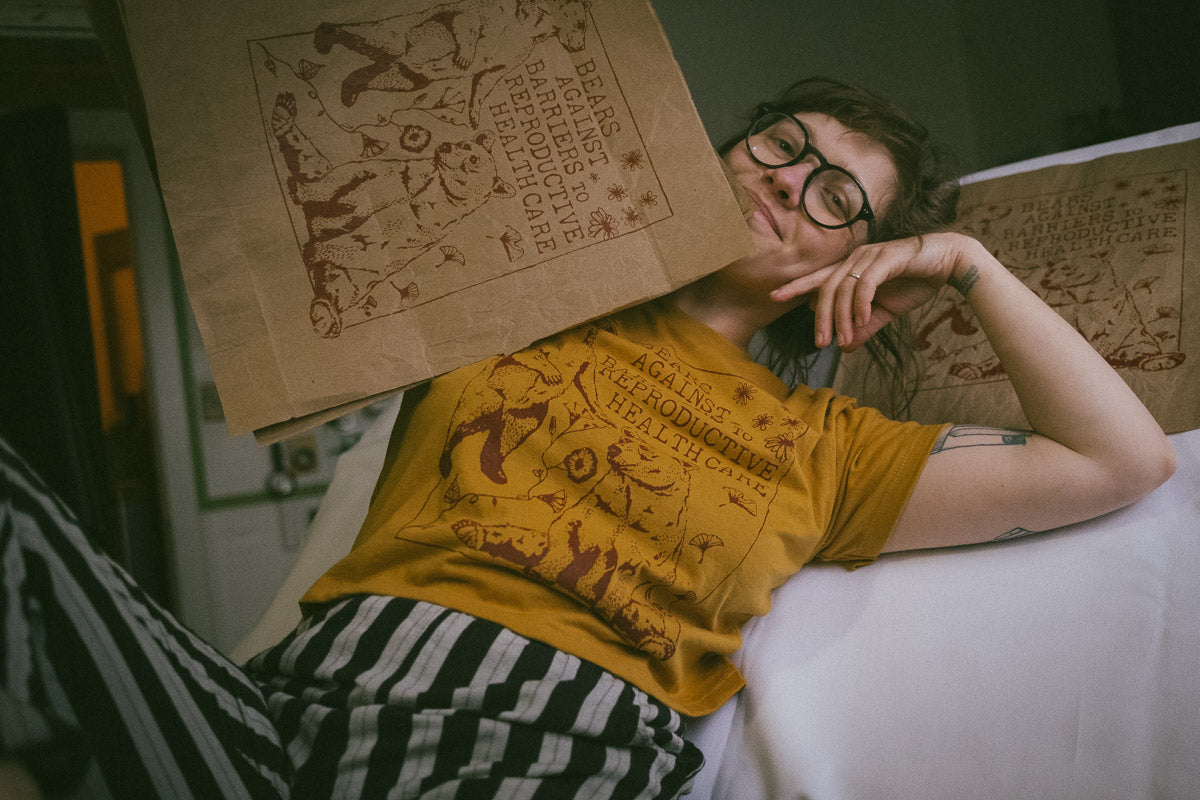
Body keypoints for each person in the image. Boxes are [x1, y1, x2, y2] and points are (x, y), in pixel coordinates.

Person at [0, 77, 1175, 800]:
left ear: (851, 263)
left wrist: (967, 263)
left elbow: (1119, 460)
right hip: (282, 717)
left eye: (839, 198)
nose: (792, 182)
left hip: (530, 749)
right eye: (783, 145)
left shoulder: (824, 442)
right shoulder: (519, 296)